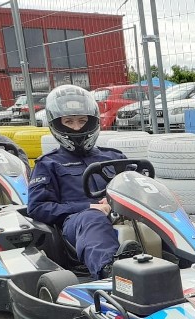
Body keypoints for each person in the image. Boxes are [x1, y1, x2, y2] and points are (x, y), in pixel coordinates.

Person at [28, 85, 129, 279]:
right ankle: (111, 273)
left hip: (122, 214)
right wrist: (88, 206)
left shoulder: (114, 157)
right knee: (92, 217)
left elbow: (137, 185)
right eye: (69, 121)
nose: (76, 127)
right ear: (56, 124)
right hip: (77, 223)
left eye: (82, 121)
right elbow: (38, 207)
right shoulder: (48, 164)